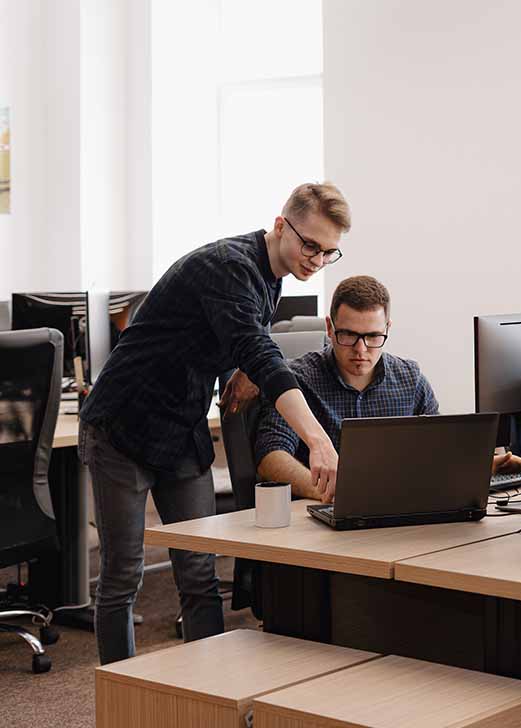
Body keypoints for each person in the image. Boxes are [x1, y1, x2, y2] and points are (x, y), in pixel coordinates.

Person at [79, 182, 349, 664]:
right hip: (122, 425)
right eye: (310, 245)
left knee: (200, 572)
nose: (316, 259)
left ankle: (207, 696)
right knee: (123, 575)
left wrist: (240, 368)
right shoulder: (227, 265)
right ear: (281, 225)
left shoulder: (273, 275)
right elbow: (261, 351)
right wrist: (318, 440)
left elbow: (236, 334)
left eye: (329, 252)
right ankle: (118, 694)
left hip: (181, 430)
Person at [255, 275, 521, 497]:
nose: (361, 349)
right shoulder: (297, 380)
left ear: (388, 329)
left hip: (399, 515)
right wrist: (327, 490)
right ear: (329, 328)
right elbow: (271, 458)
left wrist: (486, 466)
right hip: (327, 522)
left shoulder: (409, 379)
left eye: (373, 337)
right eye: (348, 335)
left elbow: (437, 454)